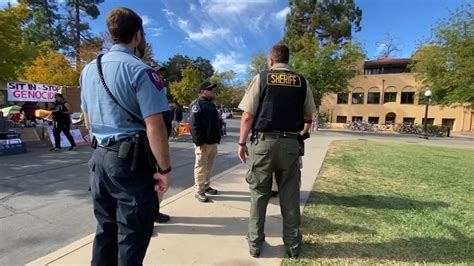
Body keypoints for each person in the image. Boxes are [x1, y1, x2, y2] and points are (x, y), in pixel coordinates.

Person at [80, 7, 171, 265]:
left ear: (111, 34)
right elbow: (155, 126)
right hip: (129, 162)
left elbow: (87, 120)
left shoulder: (89, 70)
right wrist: (164, 168)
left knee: (105, 229)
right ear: (138, 35)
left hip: (99, 158)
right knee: (132, 234)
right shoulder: (142, 71)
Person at [237, 43, 317, 259]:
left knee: (259, 195)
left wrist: (242, 144)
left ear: (270, 61)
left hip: (263, 143)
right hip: (291, 144)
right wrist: (297, 136)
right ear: (288, 60)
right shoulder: (302, 82)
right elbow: (309, 116)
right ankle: (292, 246)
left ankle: (255, 244)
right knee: (290, 197)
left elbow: (247, 116)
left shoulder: (262, 78)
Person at [189, 81, 221, 202]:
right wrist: (199, 142)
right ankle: (199, 190)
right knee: (201, 167)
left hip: (212, 141)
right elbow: (194, 125)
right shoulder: (197, 104)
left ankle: (206, 186)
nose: (213, 91)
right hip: (203, 143)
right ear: (203, 92)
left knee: (209, 166)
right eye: (210, 89)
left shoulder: (211, 104)